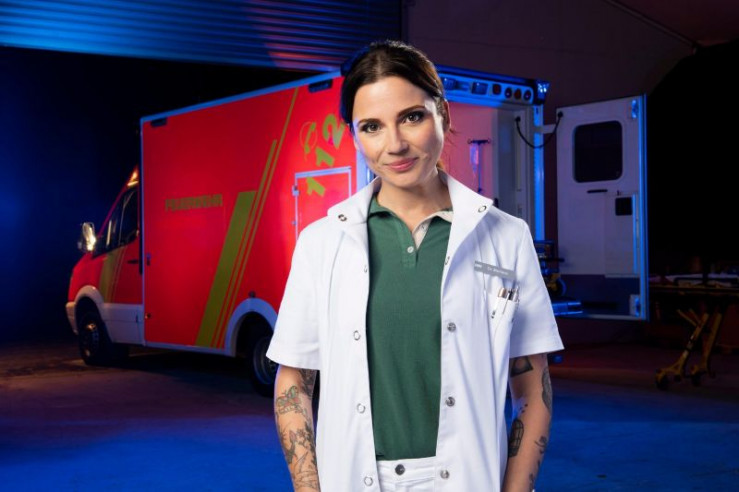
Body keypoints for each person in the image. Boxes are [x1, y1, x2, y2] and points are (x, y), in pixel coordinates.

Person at [266, 39, 564, 492]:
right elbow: (293, 382)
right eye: (372, 127)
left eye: (411, 117)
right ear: (355, 136)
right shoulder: (321, 243)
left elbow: (533, 389)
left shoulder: (505, 237)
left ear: (442, 112)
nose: (395, 145)